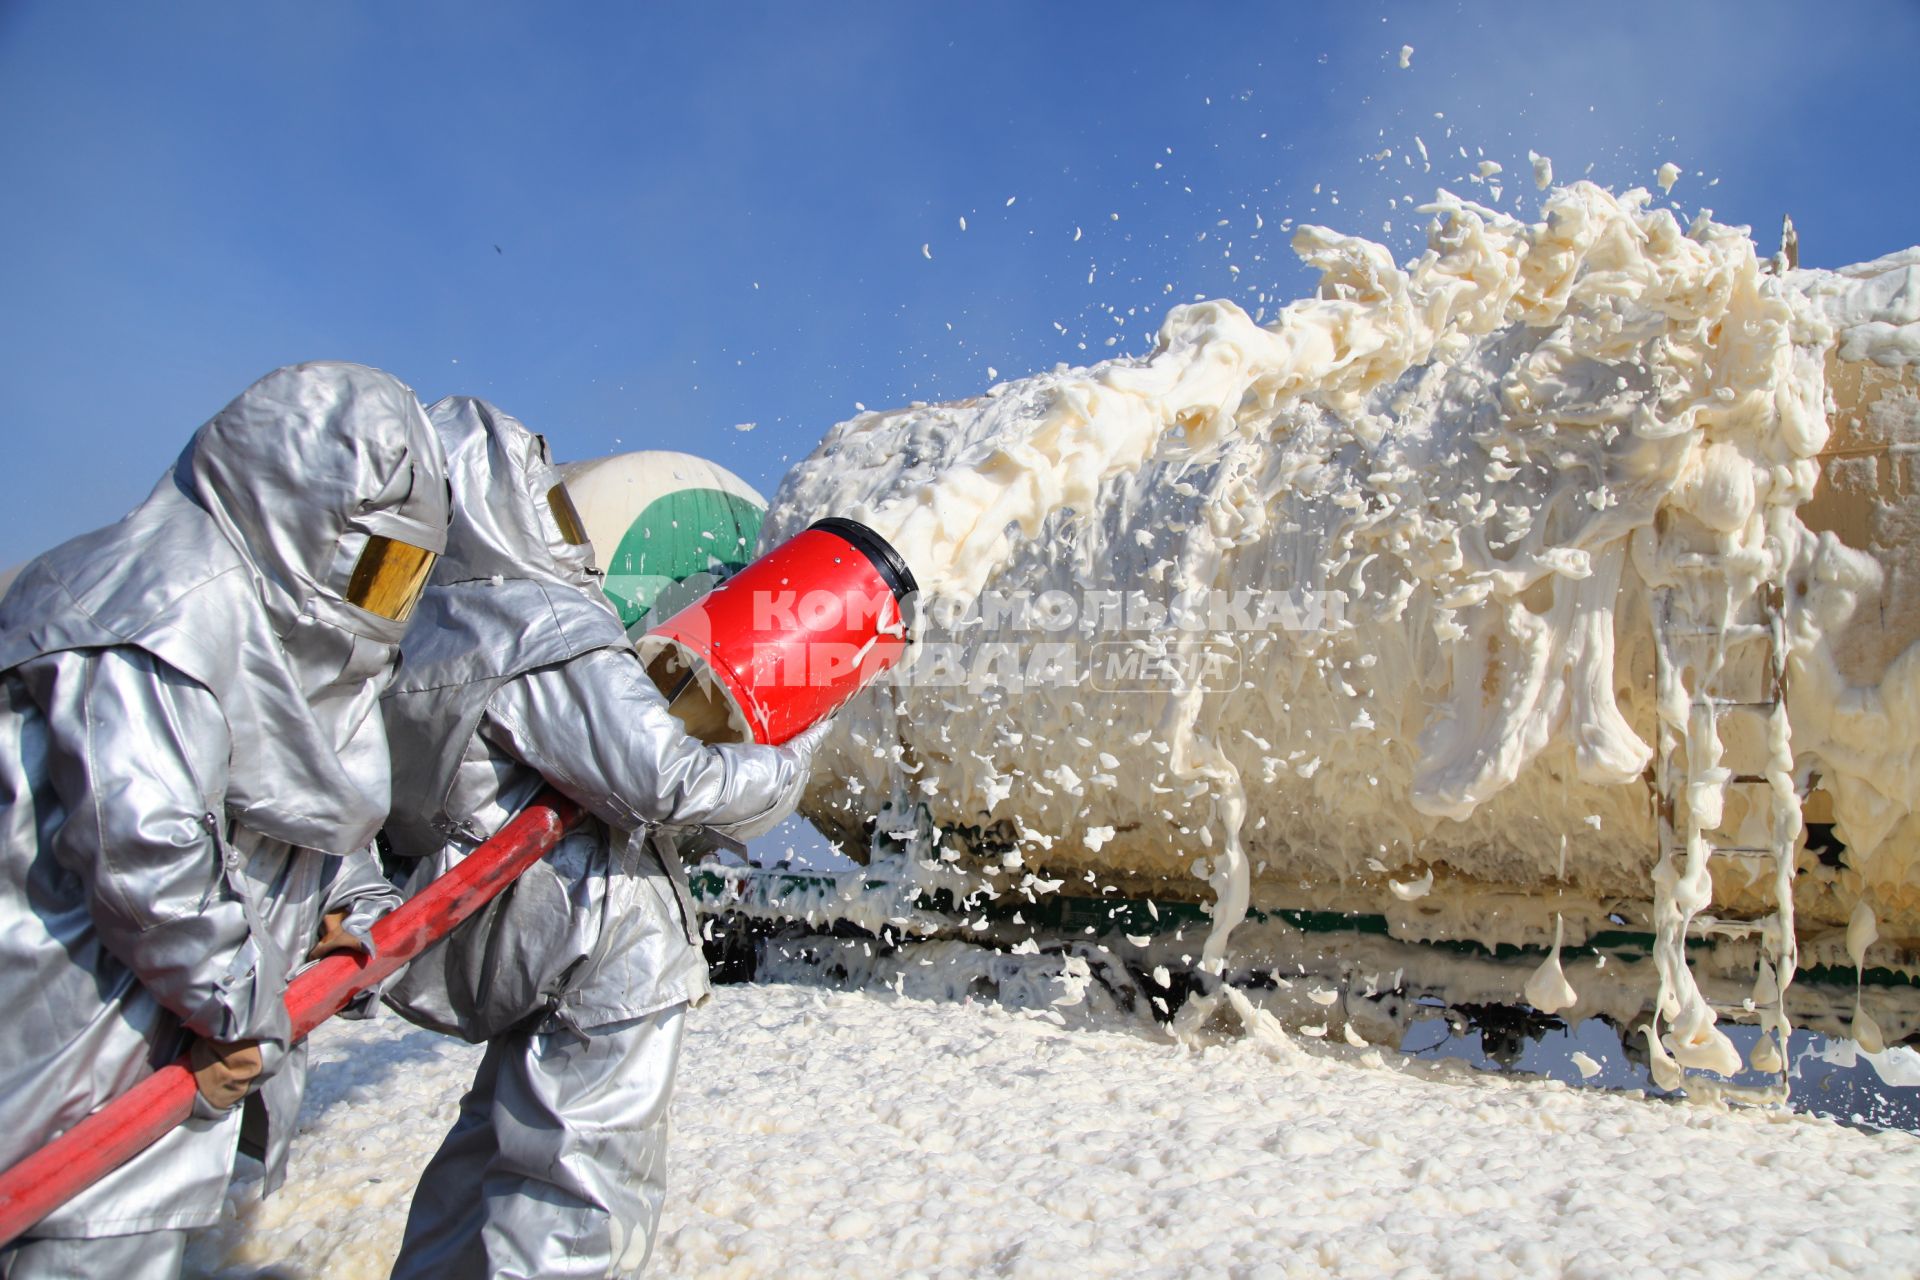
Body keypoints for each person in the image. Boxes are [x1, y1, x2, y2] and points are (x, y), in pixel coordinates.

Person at [0, 362, 450, 1279]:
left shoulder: (307, 657)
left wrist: (359, 919)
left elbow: (331, 840)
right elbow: (145, 848)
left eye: (404, 578)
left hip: (166, 1076)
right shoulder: (158, 607)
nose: (379, 601)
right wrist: (240, 1014)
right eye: (372, 563)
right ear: (295, 512)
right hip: (72, 1072)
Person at [381, 397, 823, 1279]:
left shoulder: (417, 635)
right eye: (543, 494)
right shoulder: (540, 625)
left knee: (482, 1165)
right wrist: (793, 755)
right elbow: (670, 783)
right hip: (596, 948)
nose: (563, 519)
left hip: (492, 933)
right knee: (579, 1196)